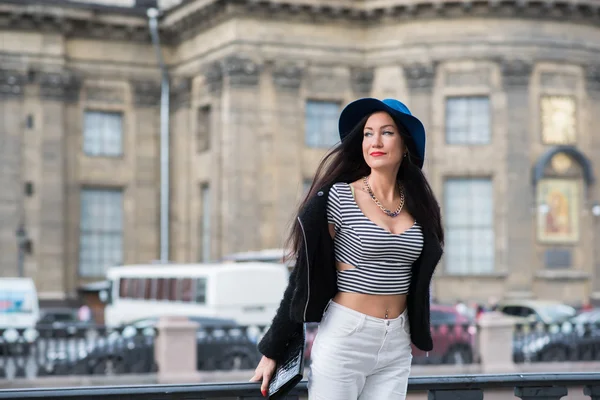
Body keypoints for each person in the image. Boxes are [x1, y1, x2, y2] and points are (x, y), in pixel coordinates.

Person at [250, 98, 444, 399]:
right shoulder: (339, 197)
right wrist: (273, 349)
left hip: (397, 341)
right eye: (368, 133)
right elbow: (303, 277)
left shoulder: (420, 206)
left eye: (387, 132)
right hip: (347, 336)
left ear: (406, 144)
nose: (375, 142)